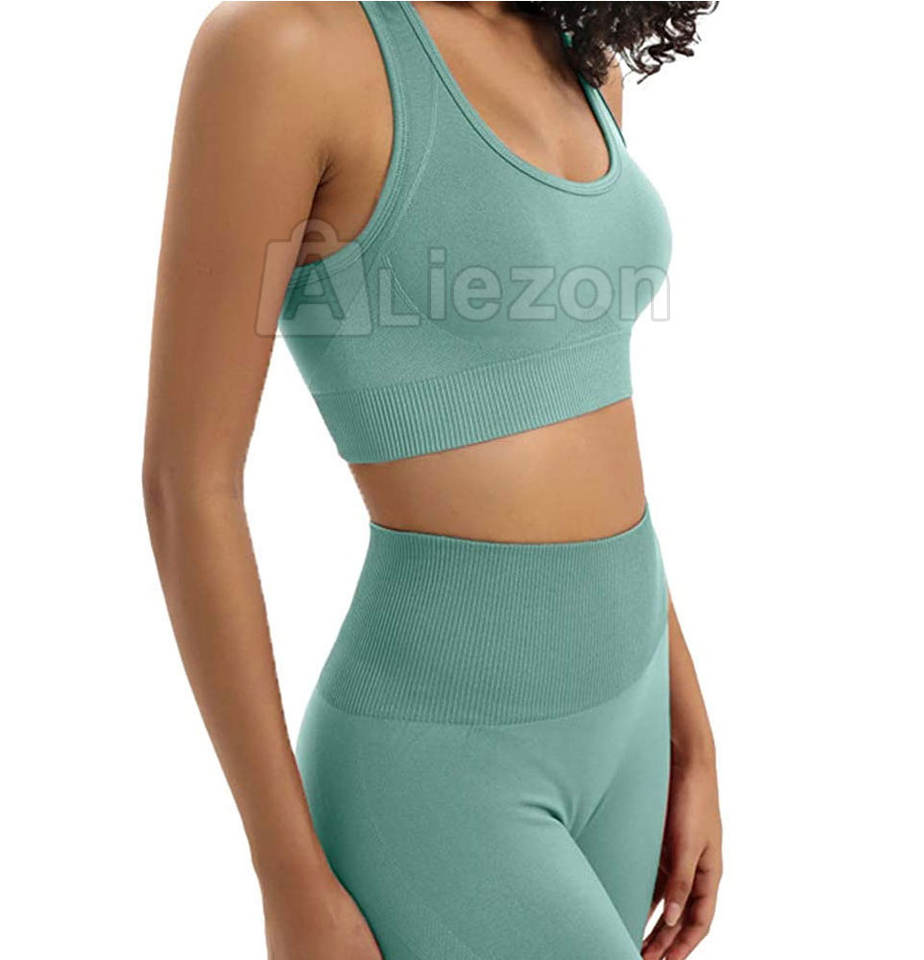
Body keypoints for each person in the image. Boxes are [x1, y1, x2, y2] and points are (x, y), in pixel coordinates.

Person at [143, 4, 721, 959]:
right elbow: (187, 483)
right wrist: (289, 877)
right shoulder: (286, 47)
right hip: (441, 762)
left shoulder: (579, 53)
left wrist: (689, 736)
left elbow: (596, 432)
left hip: (631, 720)